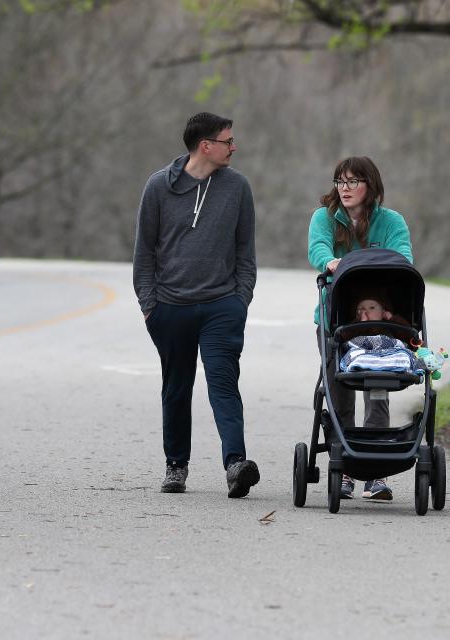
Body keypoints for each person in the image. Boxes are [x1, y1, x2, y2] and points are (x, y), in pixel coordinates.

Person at [133, 112, 260, 498]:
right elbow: (144, 254)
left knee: (223, 383)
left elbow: (245, 251)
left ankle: (235, 464)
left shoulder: (237, 187)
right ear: (206, 146)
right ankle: (176, 467)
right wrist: (150, 306)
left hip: (222, 305)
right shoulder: (158, 187)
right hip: (170, 307)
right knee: (176, 387)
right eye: (228, 141)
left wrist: (241, 299)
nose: (234, 147)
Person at [307, 156, 413, 501]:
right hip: (337, 319)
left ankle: (376, 473)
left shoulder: (391, 222)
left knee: (378, 386)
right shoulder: (324, 218)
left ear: (371, 185)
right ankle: (347, 468)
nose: (345, 189)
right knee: (340, 391)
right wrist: (332, 261)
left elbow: (403, 259)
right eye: (340, 182)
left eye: (353, 182)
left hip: (379, 321)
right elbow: (318, 249)